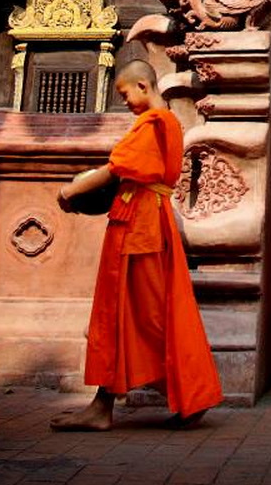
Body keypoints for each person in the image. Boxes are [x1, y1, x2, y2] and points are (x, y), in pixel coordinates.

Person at [51, 59, 222, 431]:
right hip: (141, 218)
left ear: (144, 86)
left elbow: (116, 169)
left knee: (144, 315)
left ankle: (189, 391)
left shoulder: (155, 123)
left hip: (140, 224)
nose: (125, 101)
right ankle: (105, 404)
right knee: (131, 313)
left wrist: (71, 190)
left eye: (125, 94)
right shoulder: (168, 123)